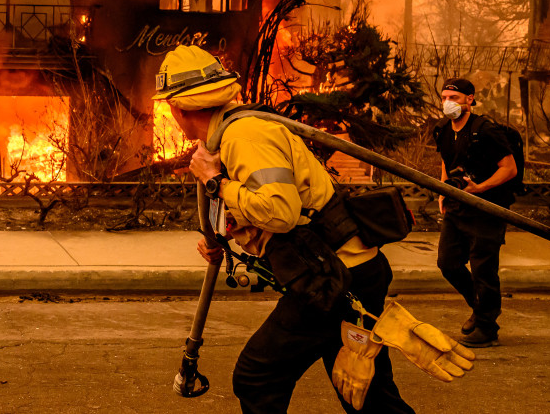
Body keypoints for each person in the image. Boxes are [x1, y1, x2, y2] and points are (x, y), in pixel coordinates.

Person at [154, 45, 414, 413]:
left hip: (336, 279)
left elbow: (280, 212)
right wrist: (220, 238)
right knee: (367, 393)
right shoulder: (224, 136)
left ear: (177, 108)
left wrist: (214, 182)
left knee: (257, 377)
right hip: (341, 272)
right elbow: (254, 203)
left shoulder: (244, 137)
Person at [432, 77, 517, 348]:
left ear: (470, 99)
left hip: (487, 208)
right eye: (444, 97)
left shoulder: (486, 130)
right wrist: (443, 191)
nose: (448, 103)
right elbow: (447, 162)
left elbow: (509, 168)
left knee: (483, 269)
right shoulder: (443, 128)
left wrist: (480, 188)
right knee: (448, 263)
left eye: (454, 98)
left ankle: (487, 328)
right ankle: (481, 310)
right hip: (456, 207)